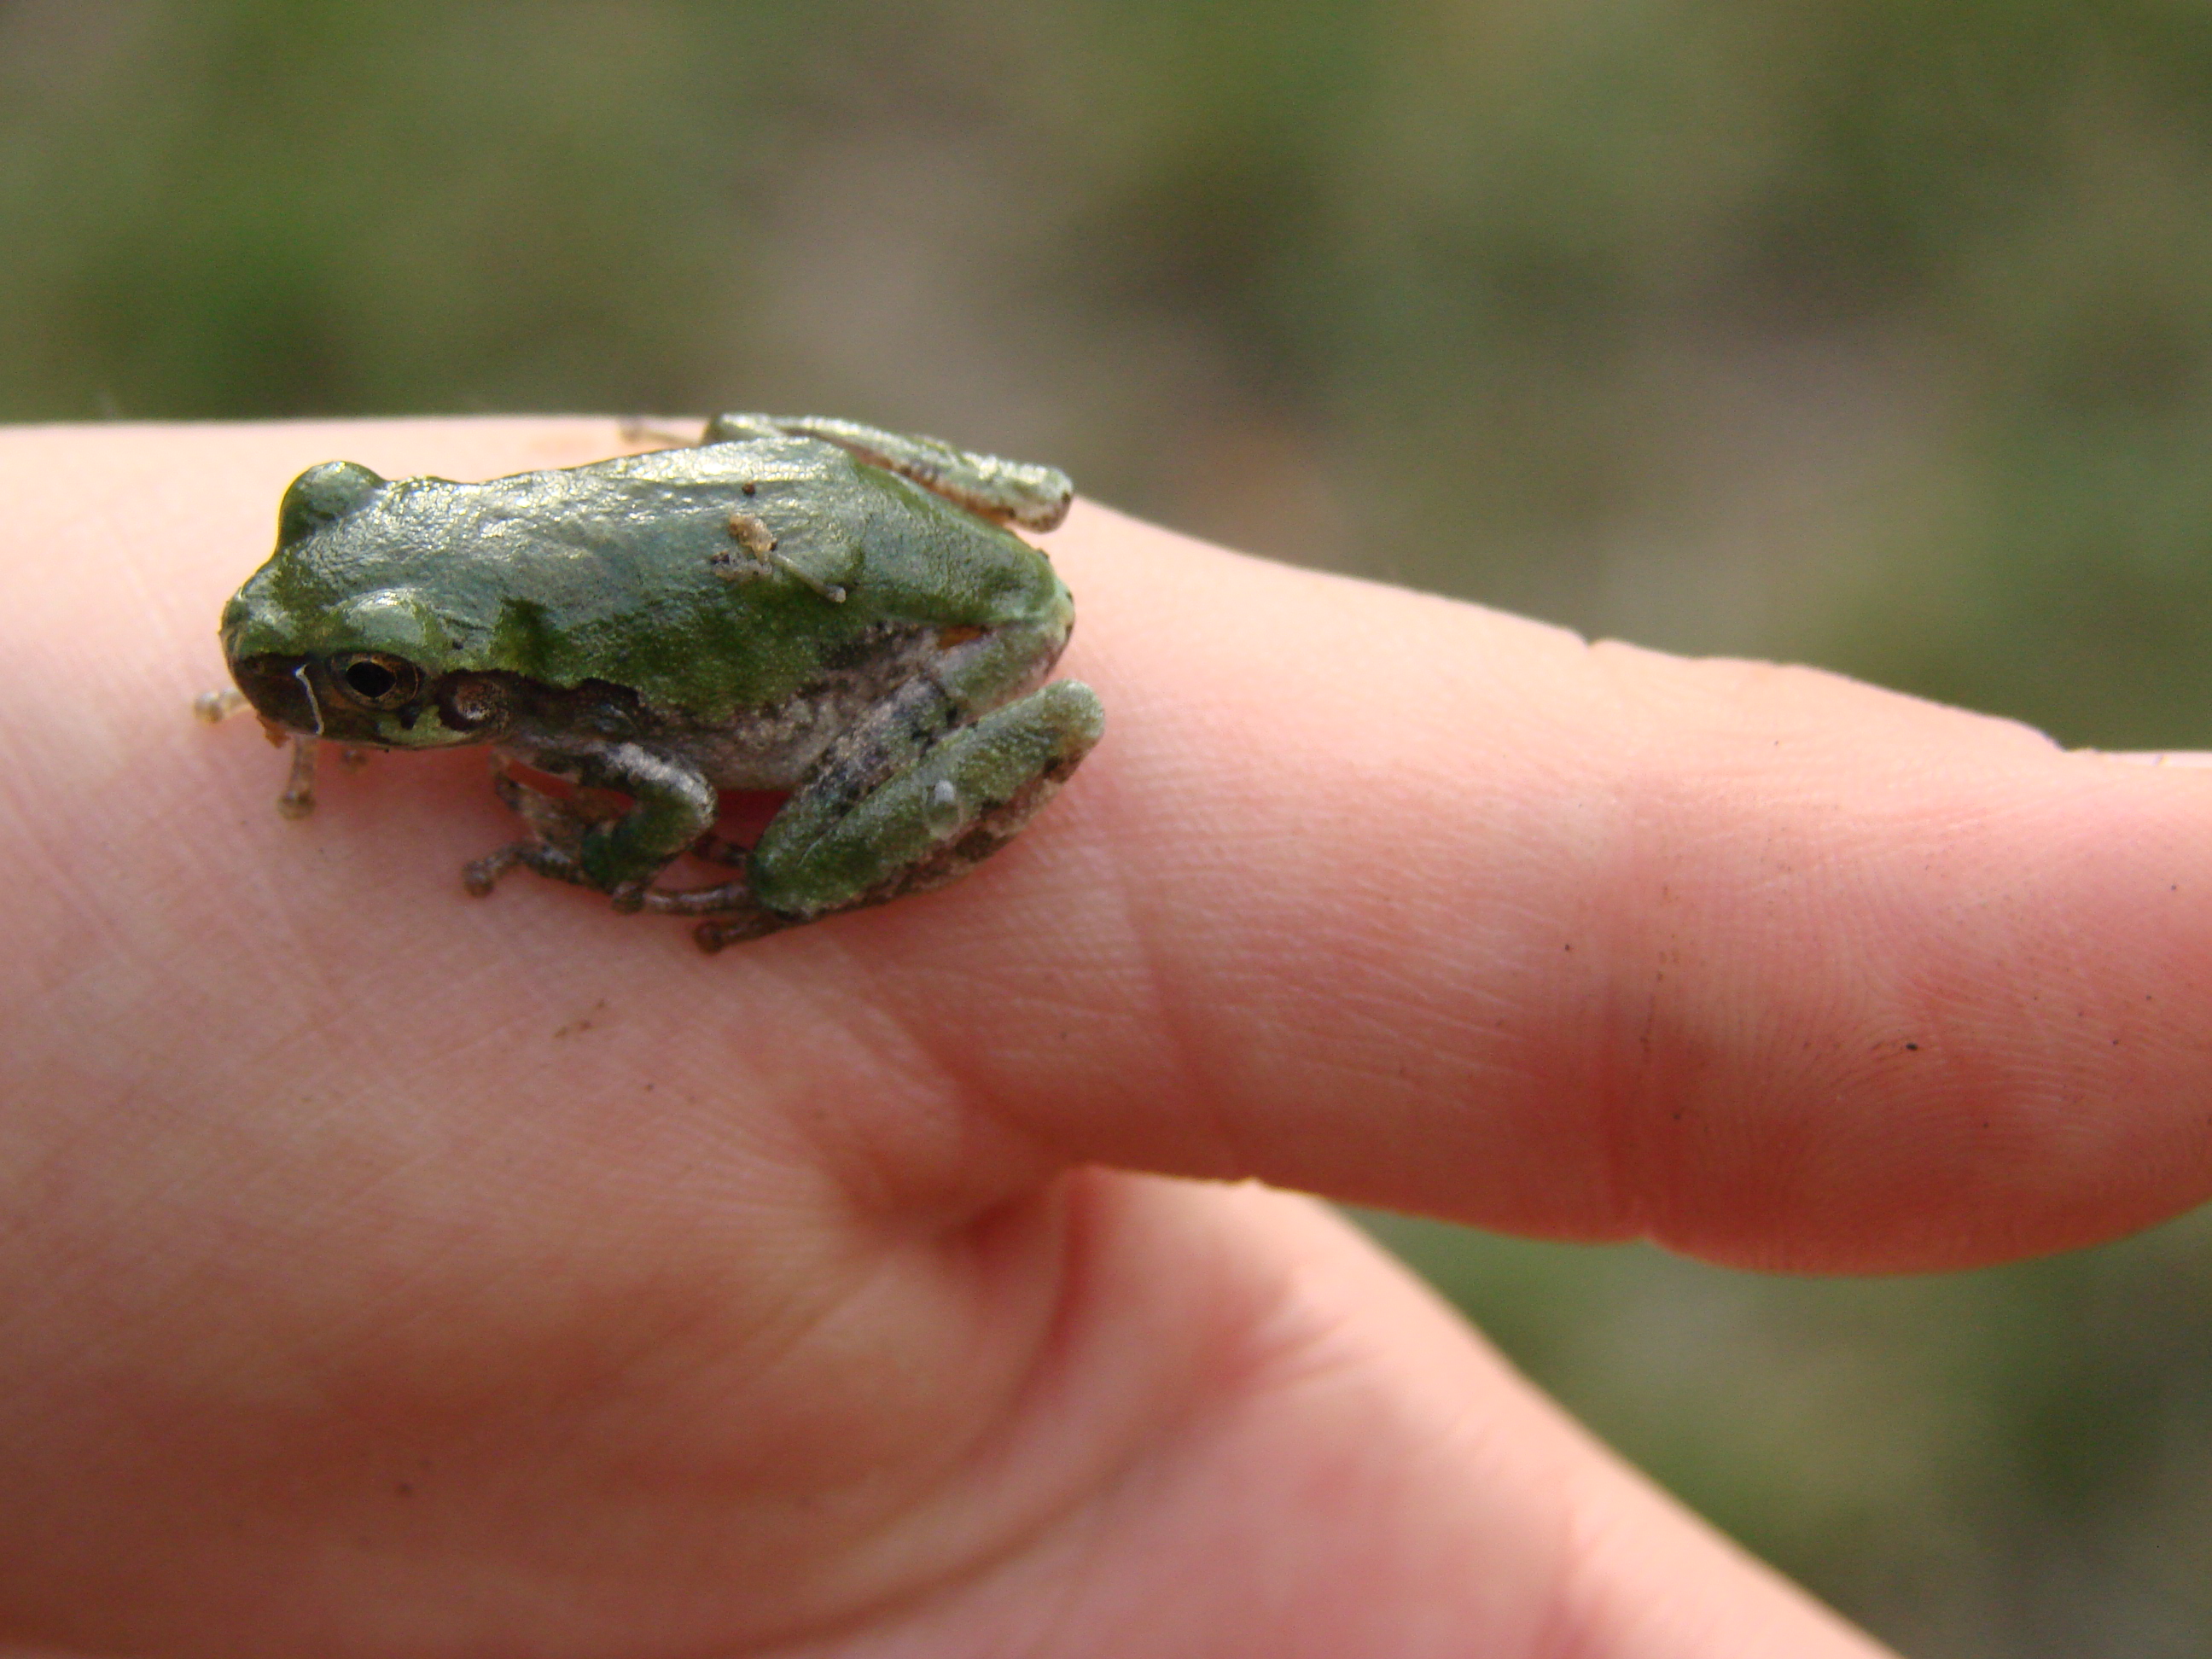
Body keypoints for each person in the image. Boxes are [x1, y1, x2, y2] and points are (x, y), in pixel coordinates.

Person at [4, 418, 2206, 1658]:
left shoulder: (567, 716)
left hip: (911, 645)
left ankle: (797, 901)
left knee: (751, 844)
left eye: (395, 692)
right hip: (882, 496)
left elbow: (669, 785)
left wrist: (660, 865)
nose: (357, 706)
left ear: (467, 677)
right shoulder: (449, 581)